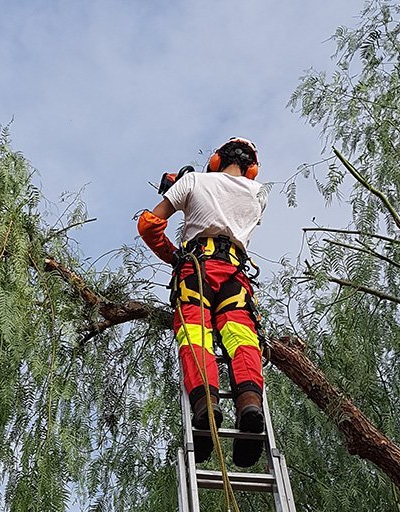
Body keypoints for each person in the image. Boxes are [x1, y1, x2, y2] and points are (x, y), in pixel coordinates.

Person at [136, 137, 268, 467]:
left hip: (195, 271)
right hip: (235, 276)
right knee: (242, 340)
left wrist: (173, 255)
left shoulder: (194, 180)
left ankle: (205, 407)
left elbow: (148, 225)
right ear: (251, 169)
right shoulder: (258, 195)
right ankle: (249, 404)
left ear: (214, 159)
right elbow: (225, 202)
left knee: (195, 336)